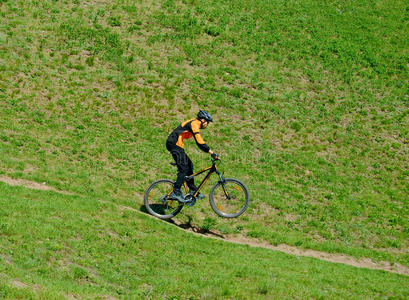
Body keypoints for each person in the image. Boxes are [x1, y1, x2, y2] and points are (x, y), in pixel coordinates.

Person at [166, 110, 219, 203]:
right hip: (173, 144)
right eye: (207, 122)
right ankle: (176, 191)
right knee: (184, 168)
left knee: (190, 165)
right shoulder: (195, 123)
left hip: (177, 145)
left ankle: (193, 190)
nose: (207, 124)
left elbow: (199, 143)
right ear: (202, 120)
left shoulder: (194, 123)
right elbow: (200, 142)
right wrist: (212, 152)